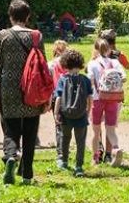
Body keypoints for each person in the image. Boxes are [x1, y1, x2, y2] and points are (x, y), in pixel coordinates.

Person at [0, 0, 49, 185]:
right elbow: (44, 67)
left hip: (9, 89)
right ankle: (28, 175)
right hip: (32, 89)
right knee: (30, 131)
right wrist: (48, 96)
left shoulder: (2, 36)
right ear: (28, 16)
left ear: (10, 16)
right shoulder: (37, 36)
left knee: (11, 129)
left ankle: (11, 155)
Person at [53, 49, 92, 177]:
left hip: (66, 114)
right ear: (80, 64)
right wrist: (88, 111)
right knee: (80, 141)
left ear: (65, 64)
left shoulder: (63, 79)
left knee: (65, 138)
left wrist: (56, 112)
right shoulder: (85, 80)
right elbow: (89, 98)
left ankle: (64, 161)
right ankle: (79, 166)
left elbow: (58, 97)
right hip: (81, 115)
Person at [87, 38, 125, 167]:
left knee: (96, 131)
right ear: (109, 50)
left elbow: (90, 80)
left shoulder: (92, 63)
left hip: (97, 99)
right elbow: (124, 78)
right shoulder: (115, 62)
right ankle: (115, 148)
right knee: (111, 129)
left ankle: (95, 158)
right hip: (113, 99)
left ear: (96, 49)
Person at [47, 40, 69, 167]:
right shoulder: (70, 63)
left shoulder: (50, 64)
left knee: (59, 126)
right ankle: (66, 151)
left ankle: (61, 154)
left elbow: (48, 84)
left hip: (56, 97)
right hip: (71, 96)